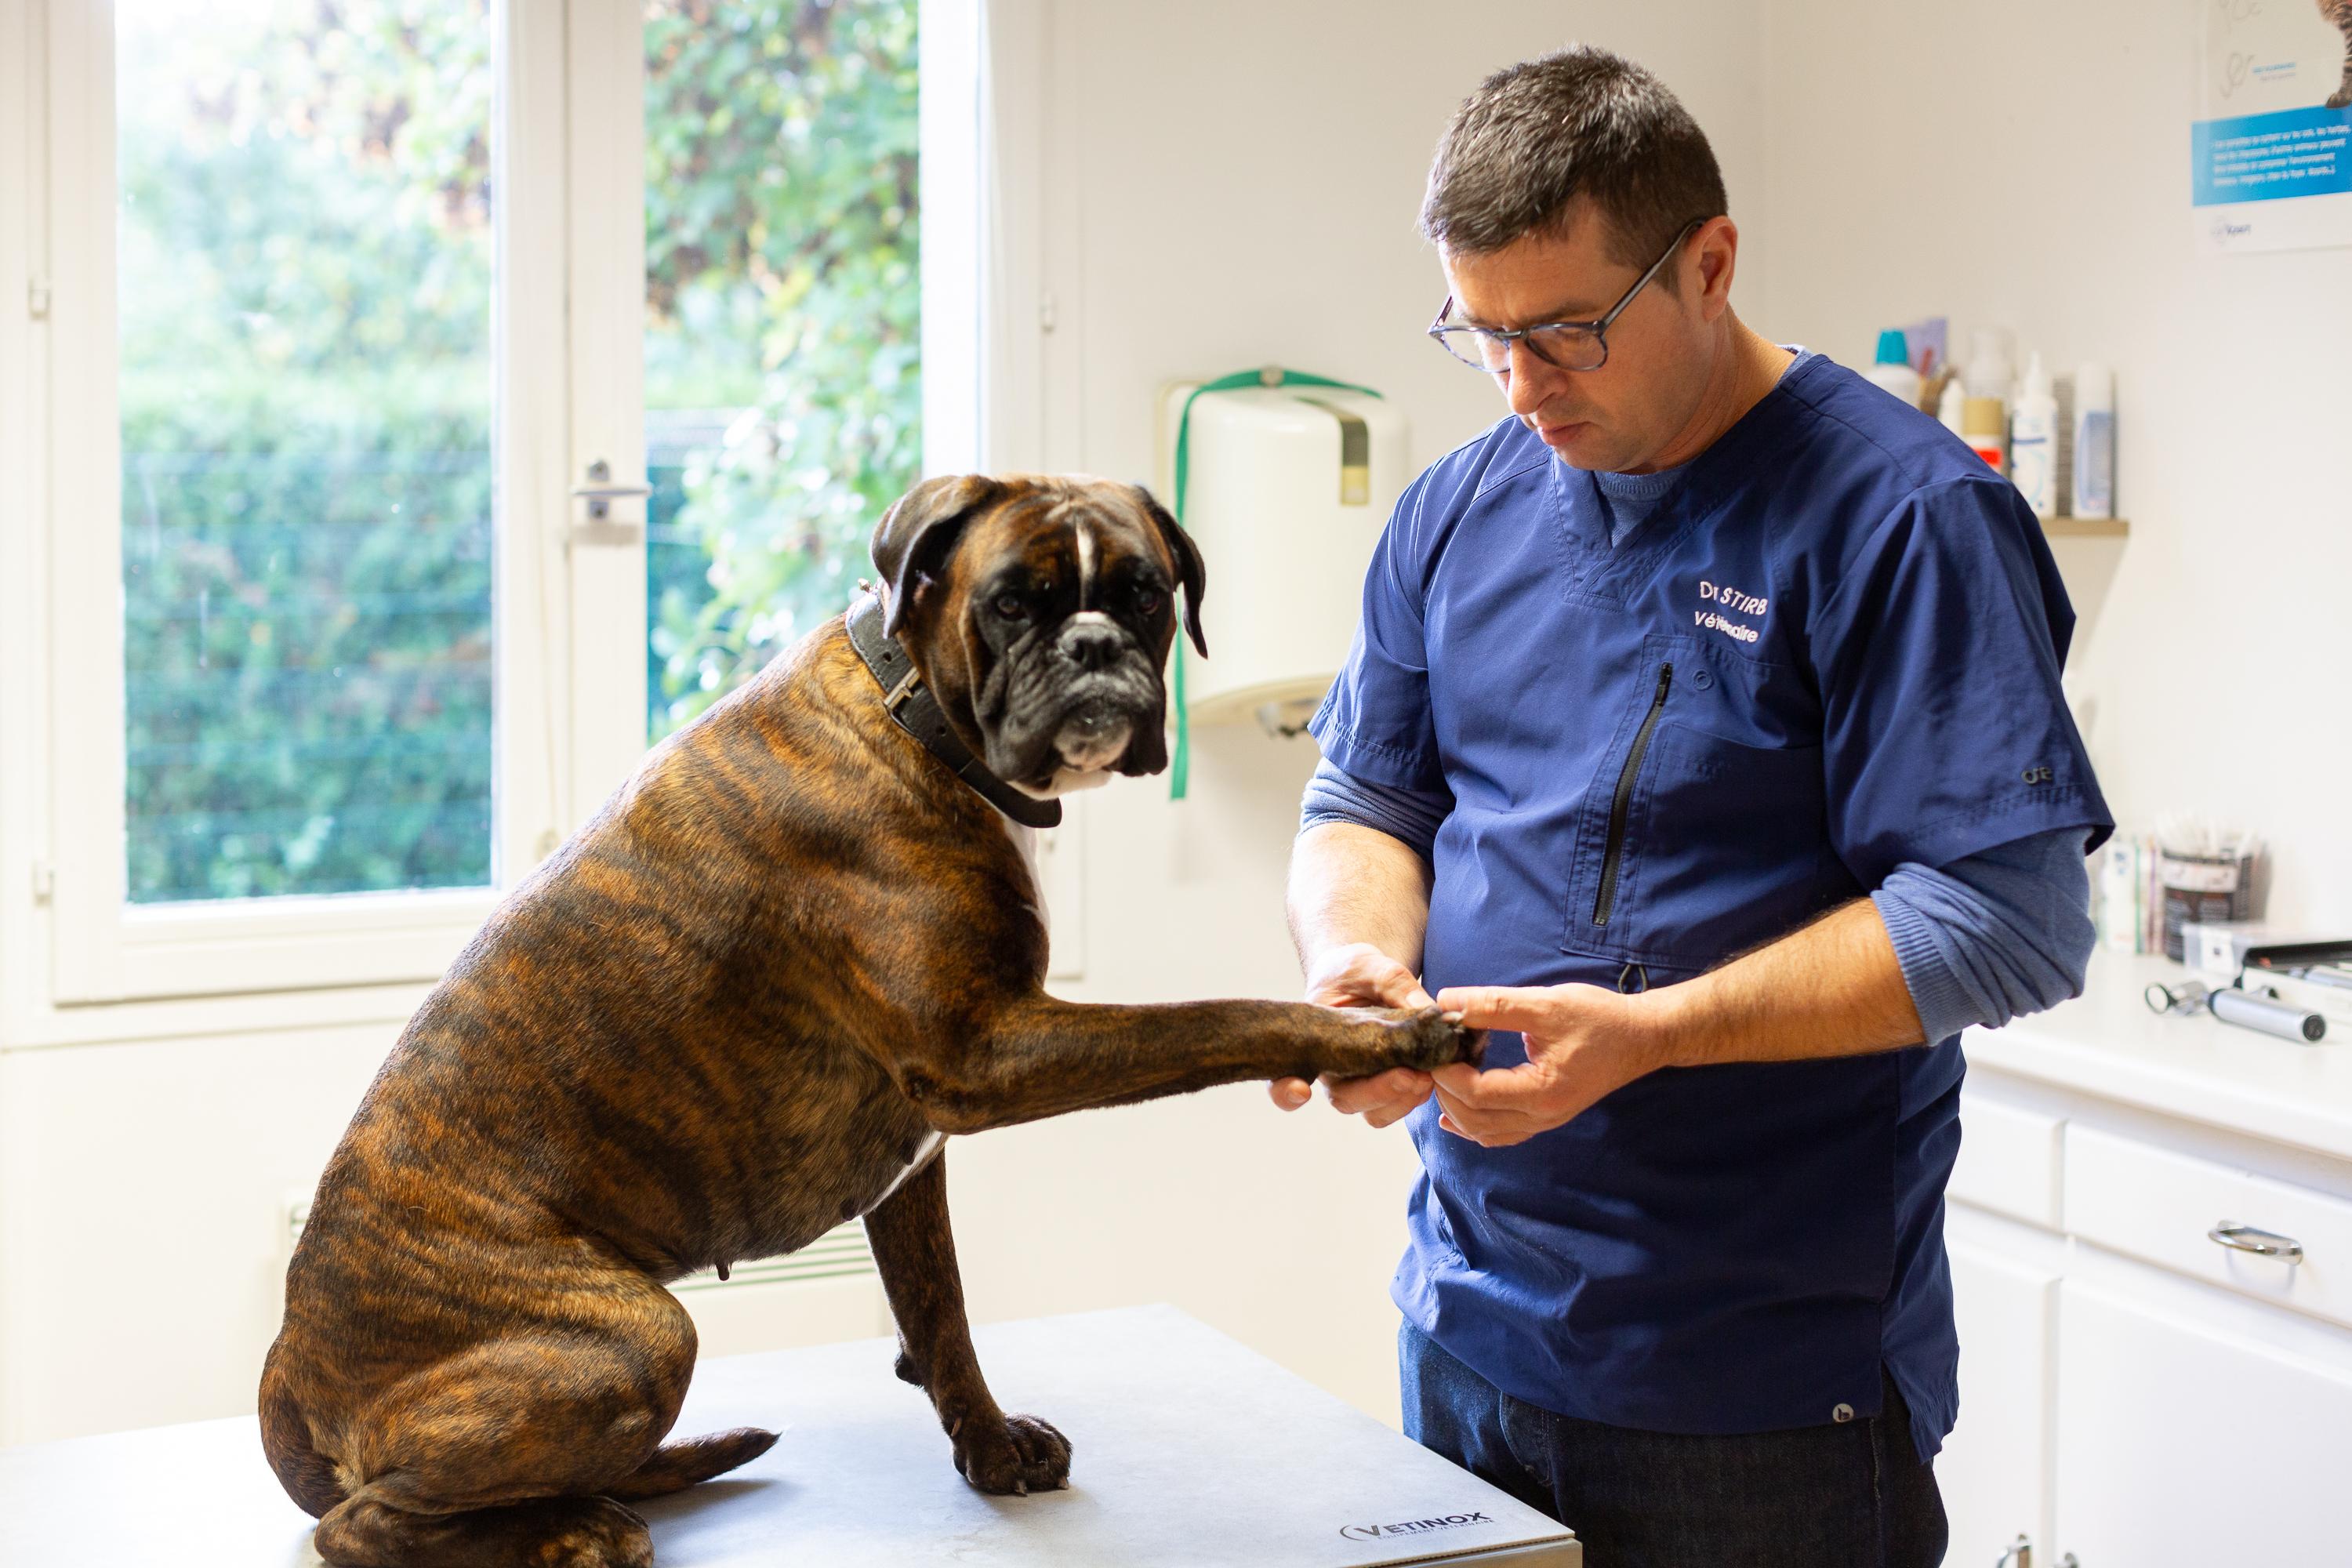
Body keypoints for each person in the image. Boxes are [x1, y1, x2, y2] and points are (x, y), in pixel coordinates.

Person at [1272, 46, 2112, 1568]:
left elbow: (2013, 920)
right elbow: (1364, 795)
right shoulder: (1462, 507)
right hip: (1465, 1335)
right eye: (1483, 335)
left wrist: (1654, 1034)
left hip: (1759, 1400)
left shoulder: (1906, 519)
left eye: (1569, 333)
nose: (1523, 387)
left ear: (1710, 264)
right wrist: (1358, 966)